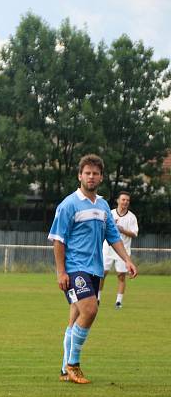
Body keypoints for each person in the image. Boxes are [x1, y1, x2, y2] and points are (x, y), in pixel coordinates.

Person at [48, 154, 137, 384]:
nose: (91, 176)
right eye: (87, 173)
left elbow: (113, 235)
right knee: (90, 310)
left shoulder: (104, 205)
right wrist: (61, 272)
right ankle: (73, 364)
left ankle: (63, 369)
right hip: (75, 268)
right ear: (80, 175)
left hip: (95, 270)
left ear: (101, 177)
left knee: (75, 317)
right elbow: (58, 240)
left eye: (95, 173)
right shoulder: (68, 204)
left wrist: (127, 260)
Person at [100, 191, 138, 309]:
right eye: (123, 200)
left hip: (123, 251)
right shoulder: (110, 214)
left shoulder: (131, 217)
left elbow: (134, 234)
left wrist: (122, 230)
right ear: (118, 200)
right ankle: (97, 297)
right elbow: (102, 228)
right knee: (101, 274)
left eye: (127, 200)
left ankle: (118, 301)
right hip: (108, 249)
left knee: (121, 276)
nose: (125, 202)